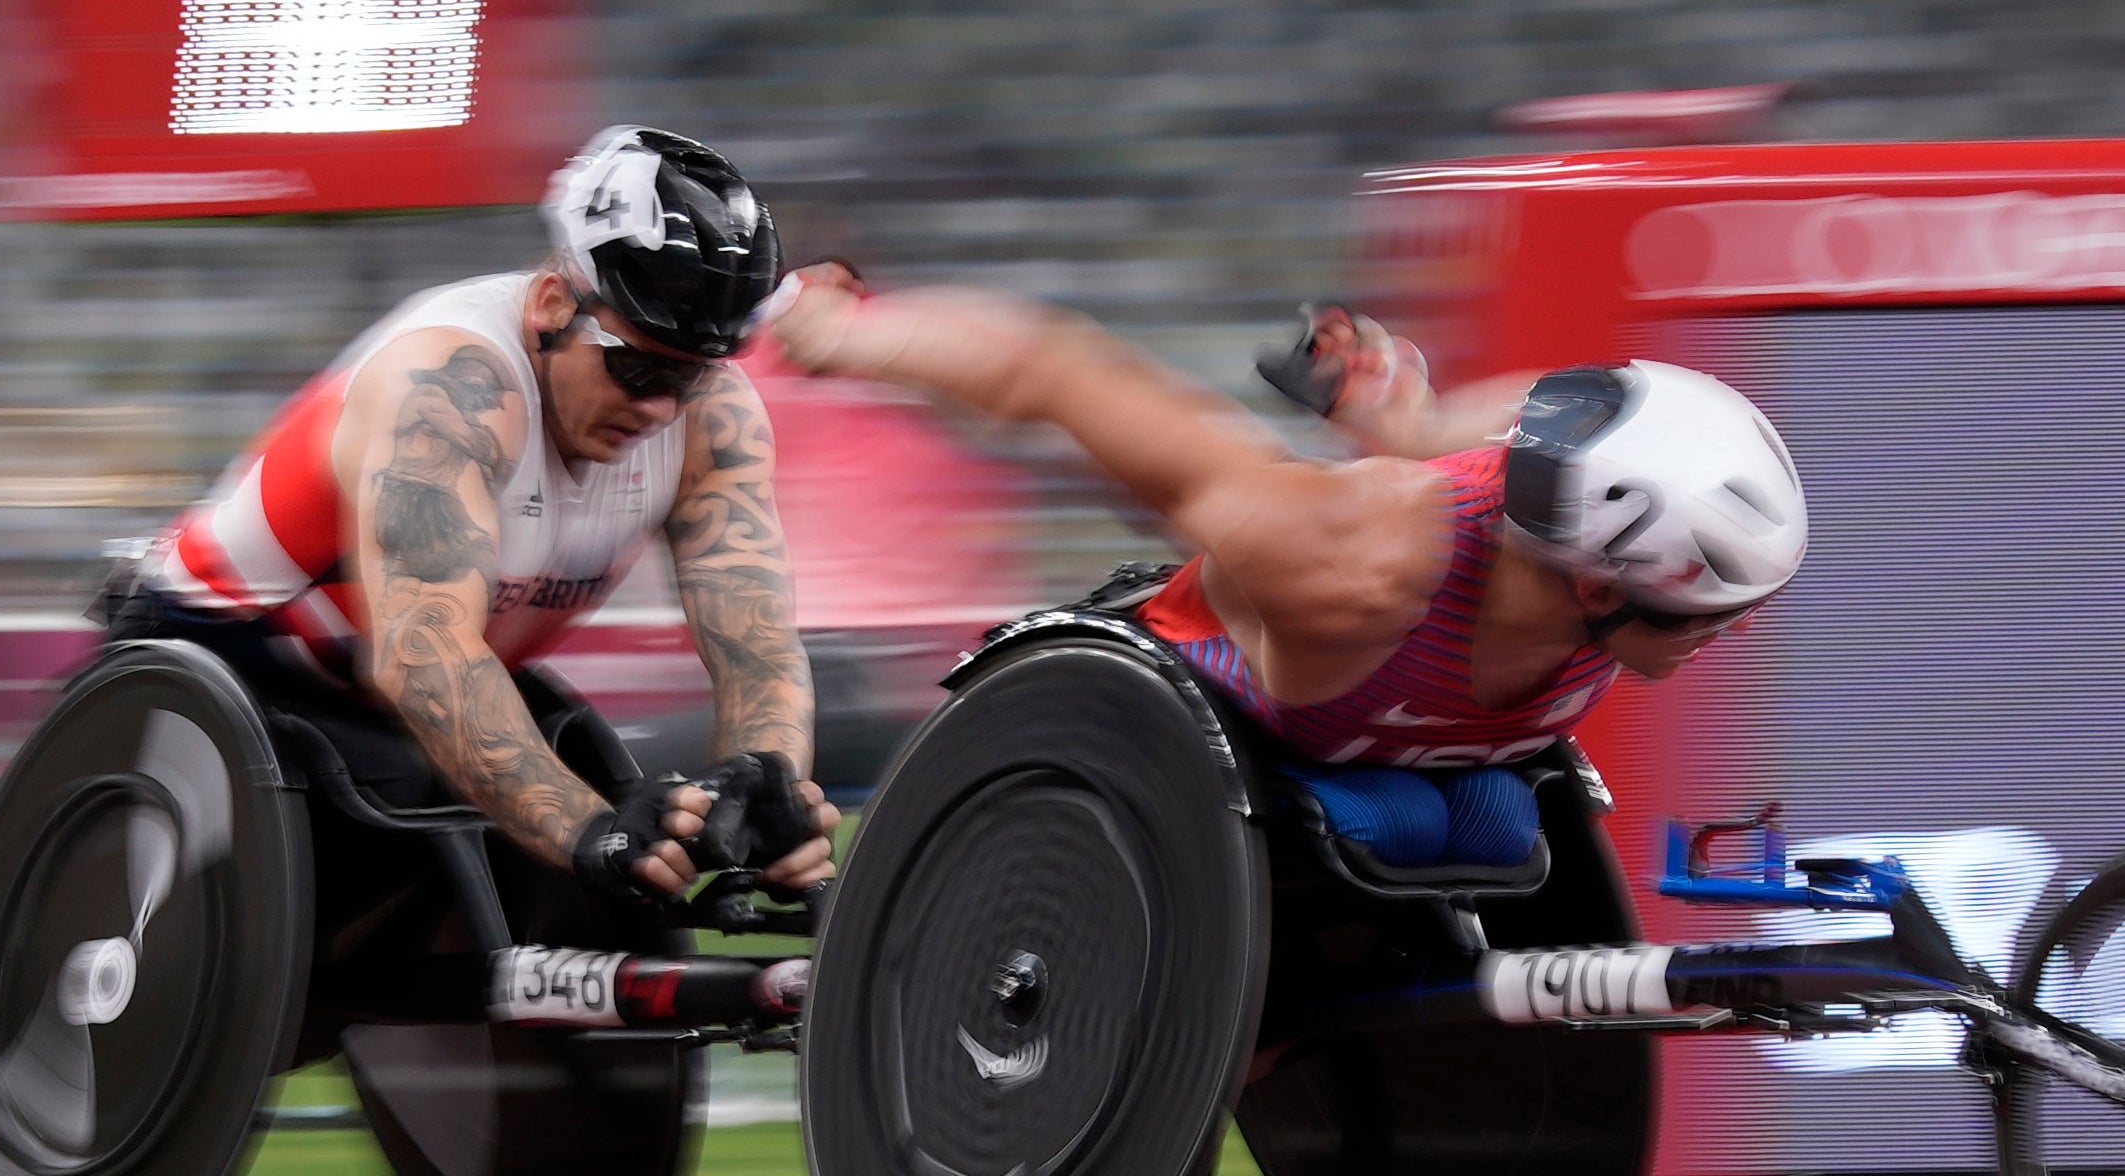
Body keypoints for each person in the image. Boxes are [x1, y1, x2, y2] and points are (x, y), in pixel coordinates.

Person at [772, 276, 1808, 866]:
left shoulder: (1581, 503)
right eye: (1707, 611)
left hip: (1402, 748)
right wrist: (845, 332)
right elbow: (1053, 370)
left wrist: (1400, 418)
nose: (1738, 630)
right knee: (1412, 823)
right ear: (1593, 586)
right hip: (1218, 726)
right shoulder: (1343, 555)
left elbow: (1514, 418)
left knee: (1492, 825)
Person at [129, 124, 838, 902]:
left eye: (693, 378)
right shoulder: (445, 387)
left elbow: (756, 646)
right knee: (570, 841)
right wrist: (588, 831)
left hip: (397, 694)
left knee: (614, 879)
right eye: (636, 368)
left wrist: (761, 783)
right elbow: (422, 654)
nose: (662, 408)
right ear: (550, 304)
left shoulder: (713, 420)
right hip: (223, 655)